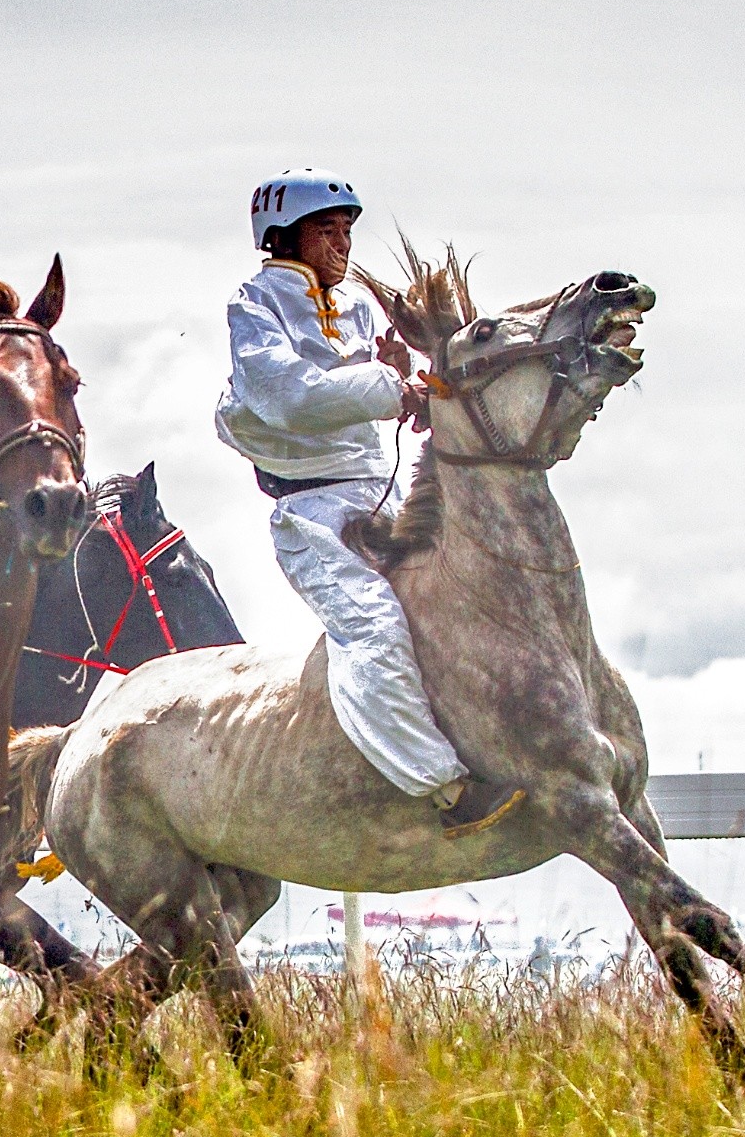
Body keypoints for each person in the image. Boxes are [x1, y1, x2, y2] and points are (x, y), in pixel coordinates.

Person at [212, 168, 526, 835]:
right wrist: (389, 386)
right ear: (283, 236)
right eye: (325, 230)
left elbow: (350, 388)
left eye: (346, 231)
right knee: (375, 629)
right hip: (314, 519)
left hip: (379, 499)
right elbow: (288, 396)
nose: (341, 245)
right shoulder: (254, 302)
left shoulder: (352, 305)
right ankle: (444, 789)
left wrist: (404, 386)